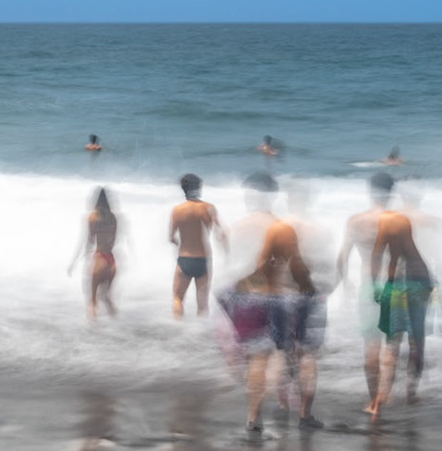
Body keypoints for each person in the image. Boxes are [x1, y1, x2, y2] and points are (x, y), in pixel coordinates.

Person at [233, 215, 323, 432]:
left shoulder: (264, 266)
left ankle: (253, 418)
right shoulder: (301, 266)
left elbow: (248, 285)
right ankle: (305, 415)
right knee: (307, 356)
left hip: (270, 304)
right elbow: (310, 290)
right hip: (297, 303)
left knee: (259, 359)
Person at [368, 198, 432, 419]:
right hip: (421, 280)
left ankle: (378, 403)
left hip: (399, 284)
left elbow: (376, 256)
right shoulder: (402, 221)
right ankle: (411, 394)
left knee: (393, 342)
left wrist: (374, 287)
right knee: (417, 340)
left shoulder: (386, 221)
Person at [337, 171, 395, 407]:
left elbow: (342, 258)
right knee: (391, 345)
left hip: (368, 286)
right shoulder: (399, 220)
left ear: (370, 191)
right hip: (394, 284)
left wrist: (346, 285)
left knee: (371, 346)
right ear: (392, 193)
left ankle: (373, 401)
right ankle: (382, 400)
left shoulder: (355, 220)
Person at [168, 174, 224, 318]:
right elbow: (221, 233)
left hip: (184, 258)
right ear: (199, 188)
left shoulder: (177, 210)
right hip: (203, 259)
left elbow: (171, 238)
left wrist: (180, 244)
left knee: (178, 298)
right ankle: (202, 337)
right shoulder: (209, 208)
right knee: (203, 304)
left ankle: (178, 331)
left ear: (183, 189)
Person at [69, 188, 120, 321]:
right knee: (106, 298)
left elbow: (88, 241)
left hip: (99, 259)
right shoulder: (113, 217)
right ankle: (118, 326)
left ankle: (92, 335)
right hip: (111, 262)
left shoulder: (92, 217)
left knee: (92, 303)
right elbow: (114, 240)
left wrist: (76, 262)